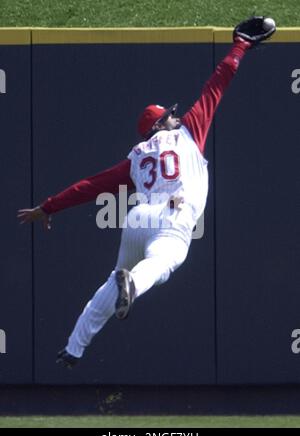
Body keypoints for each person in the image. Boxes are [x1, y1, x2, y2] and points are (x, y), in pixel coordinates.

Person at [17, 17, 274, 369]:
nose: (175, 116)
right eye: (168, 116)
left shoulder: (135, 158)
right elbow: (218, 84)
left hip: (138, 218)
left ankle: (74, 347)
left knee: (112, 280)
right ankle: (134, 285)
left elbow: (89, 187)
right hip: (172, 217)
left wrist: (48, 207)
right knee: (163, 264)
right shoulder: (188, 132)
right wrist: (240, 45)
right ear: (157, 125)